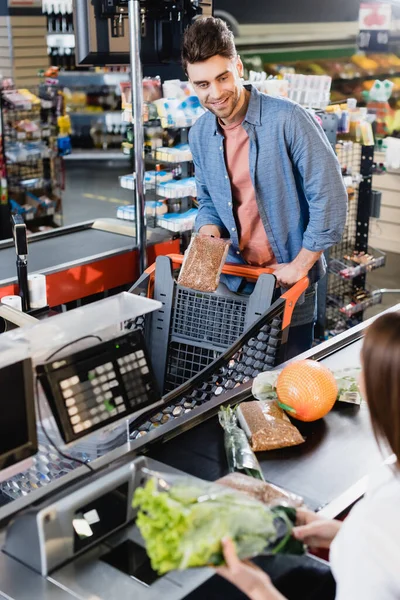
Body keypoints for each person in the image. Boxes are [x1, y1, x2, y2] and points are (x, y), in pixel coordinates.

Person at [181, 17, 348, 358]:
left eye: (223, 77)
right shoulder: (199, 133)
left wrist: (300, 265)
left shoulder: (288, 119)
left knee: (286, 384)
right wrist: (208, 231)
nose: (215, 93)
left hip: (288, 284)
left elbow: (330, 199)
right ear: (190, 83)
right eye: (202, 84)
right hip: (235, 280)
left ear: (238, 67)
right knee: (235, 383)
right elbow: (209, 201)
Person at [216, 311, 400, 599]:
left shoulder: (374, 527)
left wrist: (257, 588)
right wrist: (340, 534)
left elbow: (381, 541)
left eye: (363, 370)